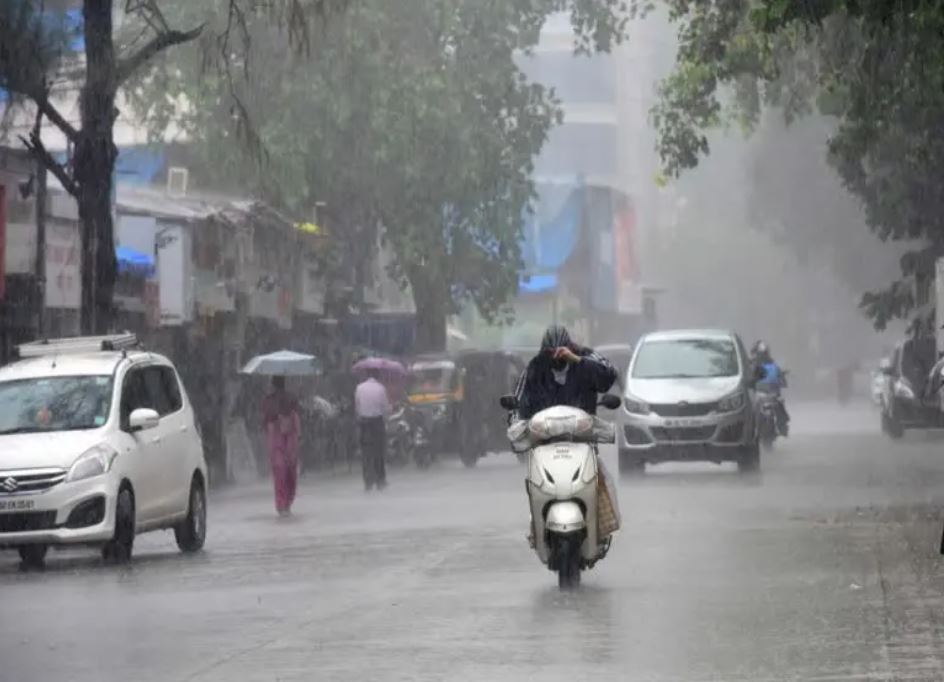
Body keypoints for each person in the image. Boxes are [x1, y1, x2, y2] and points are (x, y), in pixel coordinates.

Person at [513, 325, 618, 421]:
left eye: (561, 352)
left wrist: (578, 360)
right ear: (543, 351)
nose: (556, 357)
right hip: (544, 432)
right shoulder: (535, 367)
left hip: (582, 430)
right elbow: (519, 398)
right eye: (550, 352)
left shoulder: (585, 355)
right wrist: (516, 421)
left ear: (570, 348)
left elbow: (609, 375)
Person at [262, 376, 300, 516]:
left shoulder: (269, 401)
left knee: (280, 472)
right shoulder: (291, 398)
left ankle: (282, 504)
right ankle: (286, 502)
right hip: (288, 439)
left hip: (278, 439)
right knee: (288, 472)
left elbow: (265, 421)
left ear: (272, 384)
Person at [355, 369, 391, 491]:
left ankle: (367, 481)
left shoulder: (359, 388)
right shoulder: (381, 388)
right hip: (377, 423)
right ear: (378, 376)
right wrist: (386, 420)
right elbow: (385, 407)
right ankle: (380, 480)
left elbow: (357, 406)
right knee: (379, 452)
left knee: (366, 454)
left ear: (366, 375)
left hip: (364, 423)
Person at [752, 341, 790, 427]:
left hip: (770, 394)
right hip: (763, 394)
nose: (762, 356)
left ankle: (782, 424)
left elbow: (783, 381)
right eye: (761, 354)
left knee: (780, 403)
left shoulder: (772, 366)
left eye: (763, 354)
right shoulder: (755, 366)